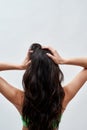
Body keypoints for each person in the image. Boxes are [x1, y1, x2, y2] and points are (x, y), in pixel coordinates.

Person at [0, 43, 87, 130]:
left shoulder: (19, 98)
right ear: (54, 72)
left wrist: (19, 66)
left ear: (30, 73)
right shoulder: (63, 97)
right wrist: (63, 61)